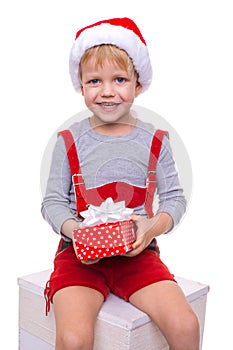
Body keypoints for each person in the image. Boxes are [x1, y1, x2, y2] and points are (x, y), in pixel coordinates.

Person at [42, 17, 200, 350]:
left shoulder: (156, 140)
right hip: (79, 259)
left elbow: (174, 199)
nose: (108, 91)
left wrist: (151, 227)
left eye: (119, 79)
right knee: (73, 339)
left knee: (186, 325)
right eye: (95, 81)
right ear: (81, 87)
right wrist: (77, 232)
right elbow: (53, 202)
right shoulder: (69, 140)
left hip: (138, 258)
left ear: (138, 84)